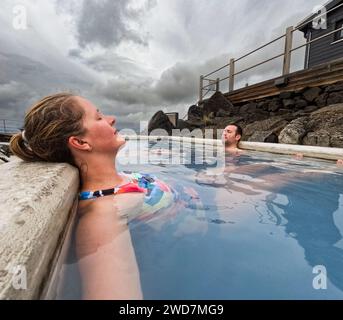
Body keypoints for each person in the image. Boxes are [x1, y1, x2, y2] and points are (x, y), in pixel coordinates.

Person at [9, 93, 175, 299]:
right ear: (80, 142)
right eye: (98, 117)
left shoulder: (116, 184)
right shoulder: (103, 217)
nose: (112, 118)